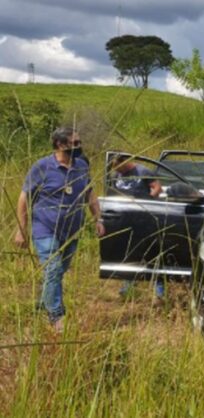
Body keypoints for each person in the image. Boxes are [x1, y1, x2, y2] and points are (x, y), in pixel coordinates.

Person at [14, 127, 104, 332]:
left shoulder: (81, 165)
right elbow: (23, 199)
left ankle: (44, 300)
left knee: (58, 271)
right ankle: (56, 316)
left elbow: (89, 193)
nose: (78, 147)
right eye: (74, 144)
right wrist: (21, 229)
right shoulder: (42, 167)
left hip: (72, 230)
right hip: (44, 228)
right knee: (53, 269)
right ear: (59, 145)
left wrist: (99, 218)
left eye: (79, 142)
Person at [110, 155, 165, 300]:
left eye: (118, 166)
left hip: (145, 219)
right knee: (128, 253)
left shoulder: (143, 171)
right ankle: (128, 287)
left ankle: (159, 292)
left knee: (152, 253)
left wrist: (147, 201)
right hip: (125, 219)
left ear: (125, 161)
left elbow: (157, 188)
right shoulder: (117, 174)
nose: (117, 170)